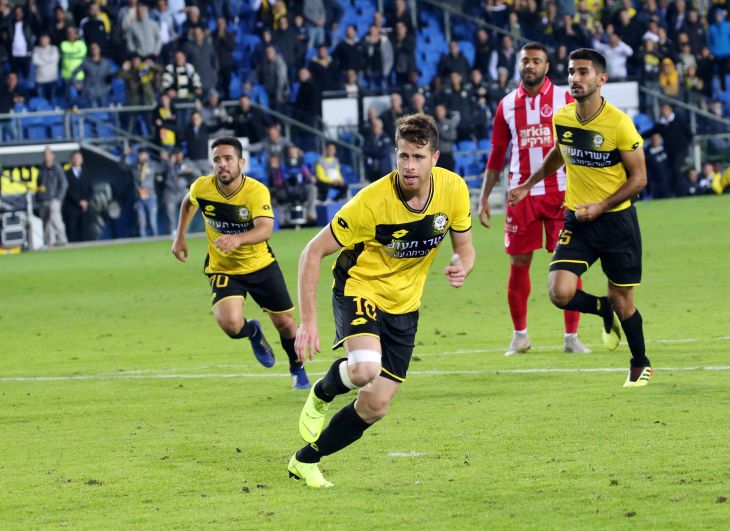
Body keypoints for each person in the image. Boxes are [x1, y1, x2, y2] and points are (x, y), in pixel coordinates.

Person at [286, 113, 475, 488]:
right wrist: (308, 321)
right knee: (365, 369)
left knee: (376, 405)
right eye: (403, 155)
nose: (409, 166)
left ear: (435, 158)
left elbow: (465, 248)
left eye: (418, 157)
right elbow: (311, 252)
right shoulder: (371, 202)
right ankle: (322, 392)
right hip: (360, 287)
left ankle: (305, 460)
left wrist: (462, 266)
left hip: (405, 306)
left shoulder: (454, 190)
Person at [508, 48, 652, 388]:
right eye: (572, 71)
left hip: (617, 223)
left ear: (601, 79)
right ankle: (602, 309)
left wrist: (602, 205)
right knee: (559, 292)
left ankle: (640, 362)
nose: (575, 78)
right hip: (579, 220)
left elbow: (639, 179)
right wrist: (528, 184)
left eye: (583, 72)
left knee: (624, 301)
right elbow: (560, 152)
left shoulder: (619, 123)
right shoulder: (563, 118)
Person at [171, 137, 311, 390]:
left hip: (260, 265)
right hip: (223, 267)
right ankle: (253, 332)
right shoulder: (202, 187)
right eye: (217, 159)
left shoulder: (255, 191)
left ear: (241, 162)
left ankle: (297, 367)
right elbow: (189, 201)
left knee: (285, 324)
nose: (222, 164)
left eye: (228, 158)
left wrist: (238, 239)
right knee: (231, 324)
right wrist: (180, 236)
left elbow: (265, 229)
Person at [479, 42, 590, 357]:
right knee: (518, 264)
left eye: (536, 61)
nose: (530, 65)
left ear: (547, 66)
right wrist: (484, 197)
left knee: (569, 265)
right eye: (525, 60)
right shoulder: (506, 105)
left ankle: (571, 337)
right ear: (519, 64)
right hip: (521, 195)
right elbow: (497, 153)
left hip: (561, 194)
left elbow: (579, 147)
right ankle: (520, 336)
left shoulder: (565, 99)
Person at [36, 147, 69, 246]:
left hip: (54, 199)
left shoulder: (57, 168)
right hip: (43, 200)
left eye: (49, 154)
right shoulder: (42, 168)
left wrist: (58, 198)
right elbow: (39, 184)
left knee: (56, 219)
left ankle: (62, 239)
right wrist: (38, 197)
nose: (47, 156)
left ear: (52, 155)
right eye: (45, 154)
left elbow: (64, 184)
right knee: (46, 223)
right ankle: (50, 242)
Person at [63, 151, 93, 242]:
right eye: (75, 158)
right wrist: (78, 201)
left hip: (85, 207)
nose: (76, 160)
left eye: (78, 158)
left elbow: (90, 189)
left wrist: (86, 201)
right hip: (72, 207)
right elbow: (68, 190)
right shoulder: (67, 174)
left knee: (85, 230)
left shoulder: (86, 172)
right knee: (73, 230)